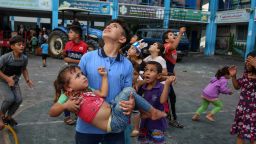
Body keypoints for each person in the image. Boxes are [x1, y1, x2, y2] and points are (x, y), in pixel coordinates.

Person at [66, 19, 135, 144]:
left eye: (114, 26)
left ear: (122, 39)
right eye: (108, 25)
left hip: (115, 128)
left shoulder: (127, 65)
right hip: (86, 128)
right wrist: (68, 103)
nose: (108, 26)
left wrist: (131, 104)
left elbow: (128, 93)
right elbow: (73, 85)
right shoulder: (87, 57)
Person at [49, 65, 168, 132]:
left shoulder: (88, 89)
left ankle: (147, 112)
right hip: (114, 123)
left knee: (129, 92)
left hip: (113, 109)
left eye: (82, 73)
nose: (83, 76)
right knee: (128, 91)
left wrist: (104, 77)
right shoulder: (68, 96)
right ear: (68, 87)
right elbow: (52, 112)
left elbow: (102, 93)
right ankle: (152, 112)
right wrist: (65, 106)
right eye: (78, 76)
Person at [0, 35, 33, 127]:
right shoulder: (5, 57)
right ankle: (1, 115)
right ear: (12, 47)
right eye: (19, 45)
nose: (22, 46)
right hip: (2, 81)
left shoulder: (24, 58)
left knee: (18, 99)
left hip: (14, 82)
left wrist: (27, 80)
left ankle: (8, 117)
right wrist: (7, 79)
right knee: (10, 98)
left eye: (23, 44)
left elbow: (24, 69)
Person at [138, 61, 173, 144]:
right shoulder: (143, 87)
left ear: (159, 76)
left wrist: (167, 84)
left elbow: (162, 101)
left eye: (151, 70)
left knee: (158, 141)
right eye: (146, 70)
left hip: (157, 124)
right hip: (144, 122)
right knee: (143, 141)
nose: (147, 72)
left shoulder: (162, 87)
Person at [62, 25, 88, 125]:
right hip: (68, 75)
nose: (69, 34)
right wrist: (63, 54)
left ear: (77, 35)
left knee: (79, 95)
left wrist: (71, 60)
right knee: (66, 94)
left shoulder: (84, 46)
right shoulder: (68, 44)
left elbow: (83, 61)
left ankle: (79, 115)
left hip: (78, 75)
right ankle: (67, 116)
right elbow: (65, 58)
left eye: (71, 32)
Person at [230, 51, 256, 144]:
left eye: (250, 60)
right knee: (241, 134)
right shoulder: (246, 74)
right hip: (242, 111)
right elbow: (237, 86)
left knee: (253, 137)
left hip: (254, 114)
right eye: (247, 60)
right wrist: (233, 76)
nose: (247, 62)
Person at [162, 27, 186, 128]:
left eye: (173, 34)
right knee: (171, 97)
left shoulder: (172, 47)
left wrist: (174, 75)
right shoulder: (167, 46)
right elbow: (174, 45)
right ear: (167, 40)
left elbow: (171, 64)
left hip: (169, 75)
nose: (173, 35)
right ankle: (172, 119)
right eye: (171, 35)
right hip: (164, 77)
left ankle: (167, 116)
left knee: (169, 98)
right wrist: (180, 33)